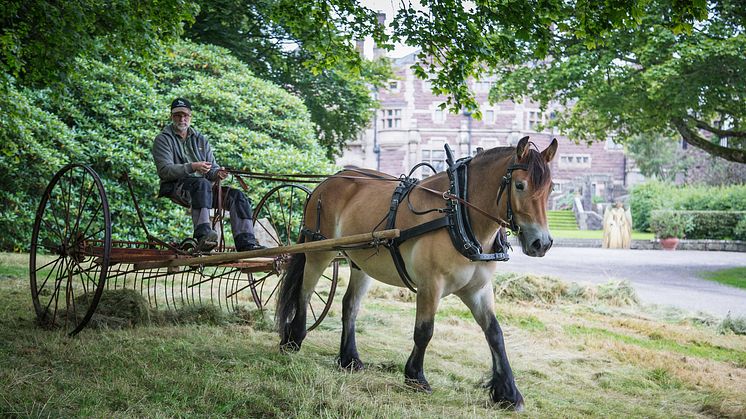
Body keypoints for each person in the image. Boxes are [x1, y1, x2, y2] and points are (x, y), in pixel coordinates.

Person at [152, 98, 264, 252]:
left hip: (203, 189)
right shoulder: (163, 139)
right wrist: (193, 167)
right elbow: (165, 171)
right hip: (177, 186)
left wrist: (218, 172)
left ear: (190, 116)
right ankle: (204, 235)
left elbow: (211, 168)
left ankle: (246, 243)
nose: (182, 119)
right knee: (202, 184)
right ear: (172, 117)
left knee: (237, 196)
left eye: (185, 115)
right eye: (177, 115)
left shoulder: (201, 139)